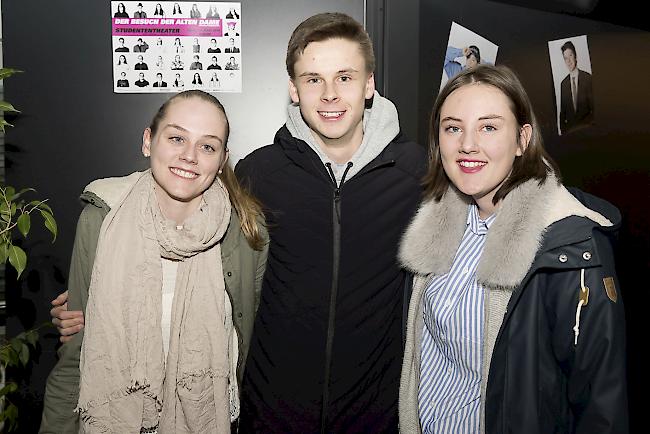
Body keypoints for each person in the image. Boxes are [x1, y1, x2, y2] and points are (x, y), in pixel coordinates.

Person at [398, 64, 628, 433]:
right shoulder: (432, 226)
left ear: (523, 140)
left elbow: (602, 406)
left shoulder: (570, 247)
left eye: (488, 127)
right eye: (453, 128)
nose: (467, 145)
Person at [234, 12, 425, 433]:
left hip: (375, 417)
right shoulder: (259, 173)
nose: (330, 95)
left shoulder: (418, 174)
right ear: (294, 89)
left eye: (345, 77)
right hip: (272, 414)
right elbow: (188, 225)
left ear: (369, 84)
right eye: (313, 79)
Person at [40, 90, 269, 433]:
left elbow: (259, 340)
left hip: (208, 418)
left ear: (222, 160)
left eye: (207, 146)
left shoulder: (246, 230)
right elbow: (78, 352)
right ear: (149, 141)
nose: (189, 156)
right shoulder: (102, 218)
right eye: (176, 138)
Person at [559, 40, 594, 135]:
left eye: (570, 56)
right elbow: (562, 114)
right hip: (571, 134)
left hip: (588, 131)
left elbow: (594, 109)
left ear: (575, 56)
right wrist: (565, 133)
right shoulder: (563, 84)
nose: (569, 61)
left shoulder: (588, 78)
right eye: (565, 58)